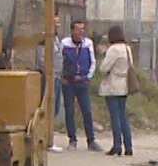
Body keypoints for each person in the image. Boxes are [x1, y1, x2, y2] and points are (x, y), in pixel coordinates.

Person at [57, 18, 98, 151]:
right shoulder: (64, 44)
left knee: (87, 110)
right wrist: (62, 76)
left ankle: (91, 140)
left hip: (82, 82)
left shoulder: (88, 44)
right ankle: (72, 139)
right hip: (69, 82)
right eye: (78, 29)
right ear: (72, 31)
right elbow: (59, 60)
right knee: (69, 110)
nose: (81, 32)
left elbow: (93, 61)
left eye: (82, 29)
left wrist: (88, 77)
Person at [98, 25, 135, 157]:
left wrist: (103, 54)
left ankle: (117, 145)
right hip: (124, 84)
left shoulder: (113, 49)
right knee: (123, 116)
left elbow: (103, 68)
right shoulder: (127, 48)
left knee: (115, 117)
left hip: (113, 84)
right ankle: (128, 146)